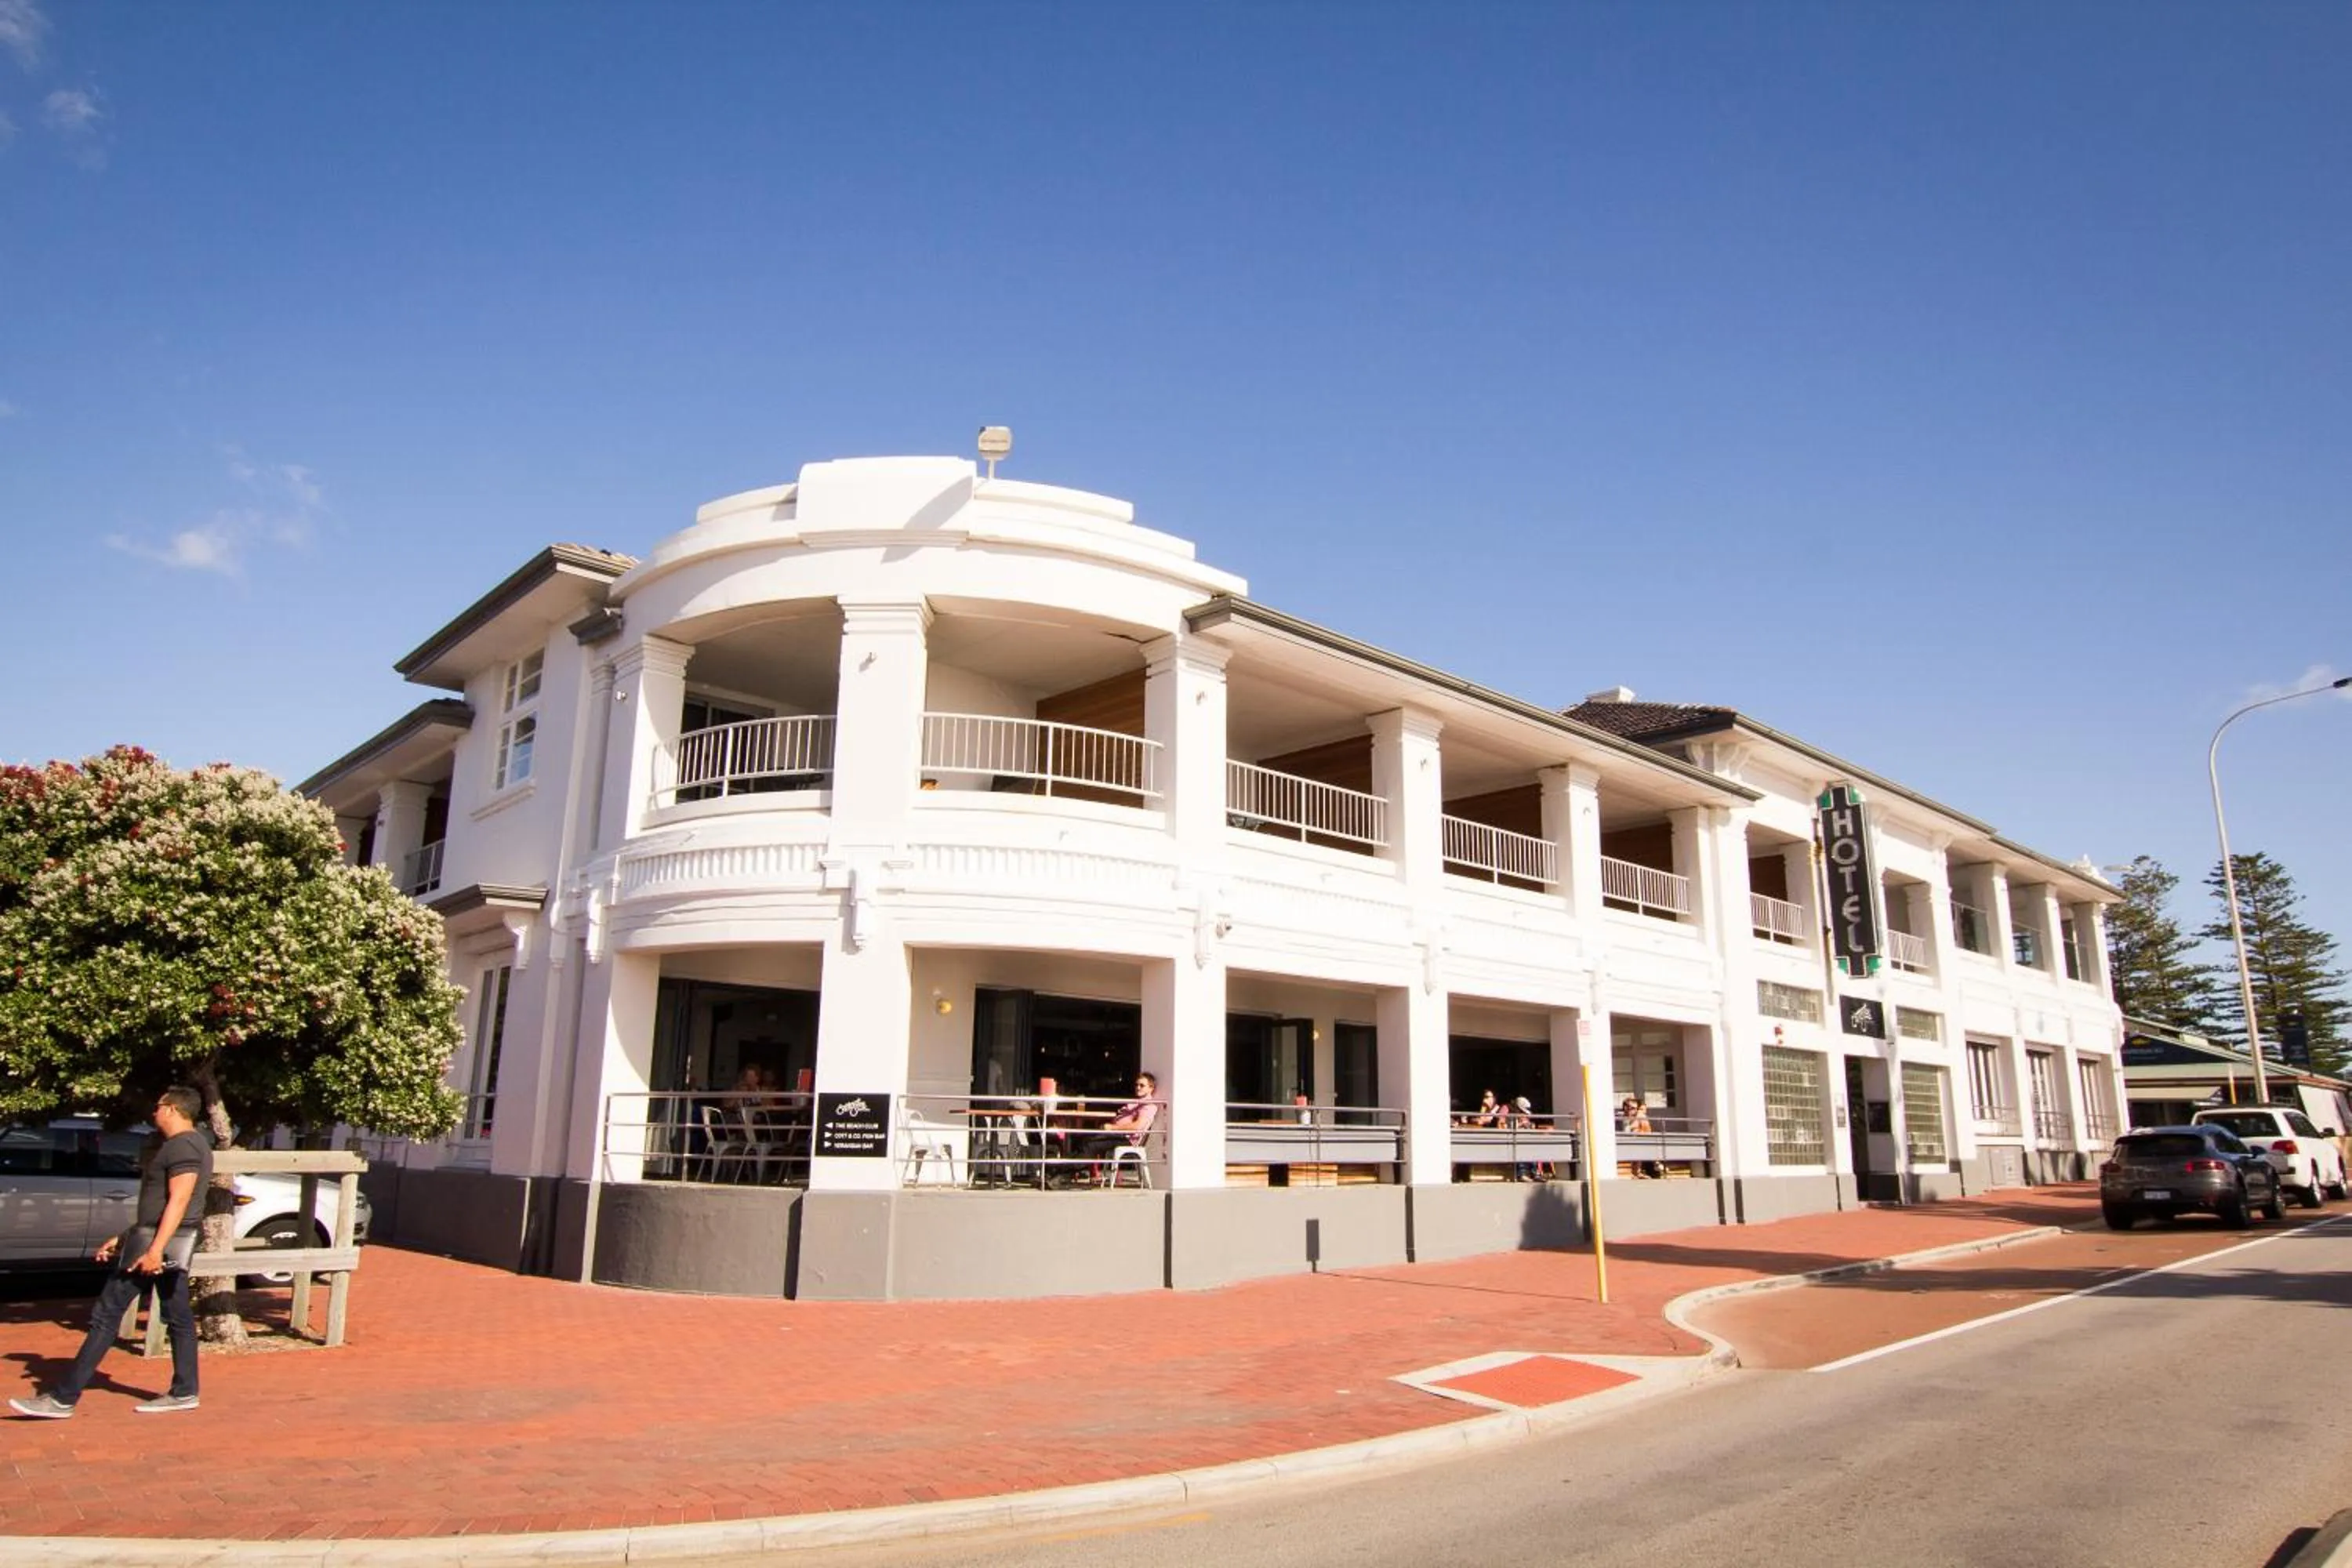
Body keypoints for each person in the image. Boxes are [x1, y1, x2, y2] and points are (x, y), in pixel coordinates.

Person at [13, 1086, 214, 1418]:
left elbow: (179, 1200)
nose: (153, 1112)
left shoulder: (184, 1146)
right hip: (157, 1241)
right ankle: (185, 1391)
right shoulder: (187, 1145)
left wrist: (155, 1251)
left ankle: (63, 1399)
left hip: (158, 1246)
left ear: (173, 1109)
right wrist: (123, 1239)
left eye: (158, 1106)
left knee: (106, 1314)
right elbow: (161, 1206)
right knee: (178, 1317)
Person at [1082, 1072, 1160, 1181]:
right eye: (1136, 1085)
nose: (1138, 1088)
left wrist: (1112, 1128)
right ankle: (1063, 1169)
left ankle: (1064, 1170)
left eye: (1142, 1085)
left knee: (1090, 1145)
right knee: (1087, 1140)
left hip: (1126, 1139)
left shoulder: (1148, 1106)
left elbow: (1137, 1126)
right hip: (1118, 1135)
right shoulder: (1138, 1102)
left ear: (1151, 1088)